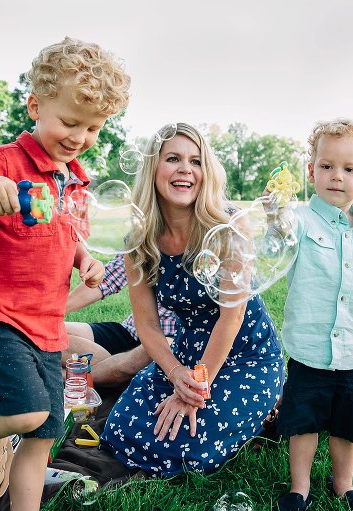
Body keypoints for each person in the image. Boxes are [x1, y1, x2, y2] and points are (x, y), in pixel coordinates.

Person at [0, 37, 130, 511]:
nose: (79, 137)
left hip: (47, 327)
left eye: (94, 128)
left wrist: (84, 259)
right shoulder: (2, 165)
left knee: (43, 434)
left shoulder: (74, 180)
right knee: (27, 409)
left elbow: (66, 231)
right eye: (70, 121)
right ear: (35, 106)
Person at [100, 122, 285, 476]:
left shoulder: (229, 227)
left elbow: (231, 319)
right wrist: (175, 373)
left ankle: (273, 405)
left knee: (192, 446)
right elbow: (148, 324)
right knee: (120, 426)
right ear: (154, 170)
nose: (186, 169)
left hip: (246, 354)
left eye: (196, 161)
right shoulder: (139, 240)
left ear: (206, 172)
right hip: (186, 353)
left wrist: (192, 390)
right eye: (173, 158)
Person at [271, 117, 353, 511]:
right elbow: (271, 250)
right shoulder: (298, 221)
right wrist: (273, 217)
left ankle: (344, 484)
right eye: (326, 166)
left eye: (349, 169)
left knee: (350, 423)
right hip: (310, 349)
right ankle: (300, 487)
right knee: (304, 421)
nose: (336, 176)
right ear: (311, 171)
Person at [63, 252, 178, 386]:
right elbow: (110, 277)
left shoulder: (204, 246)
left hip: (164, 343)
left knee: (141, 358)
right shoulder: (147, 236)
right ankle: (110, 376)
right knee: (47, 333)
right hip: (131, 332)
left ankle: (69, 377)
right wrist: (52, 313)